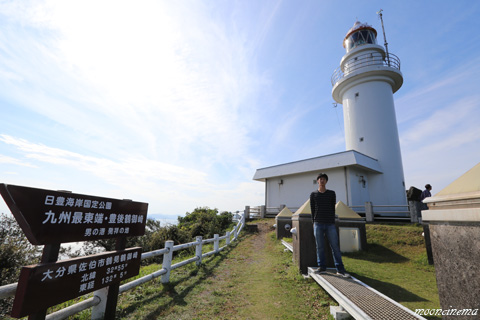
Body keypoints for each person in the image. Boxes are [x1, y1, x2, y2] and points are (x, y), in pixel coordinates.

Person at [310, 173, 349, 277]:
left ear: (326, 181)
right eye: (320, 179)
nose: (322, 180)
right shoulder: (313, 194)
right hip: (318, 223)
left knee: (335, 246)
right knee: (320, 246)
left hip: (330, 224)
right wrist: (313, 223)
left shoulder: (331, 193)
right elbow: (312, 210)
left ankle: (340, 269)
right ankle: (322, 267)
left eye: (324, 179)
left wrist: (332, 221)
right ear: (317, 181)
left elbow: (332, 208)